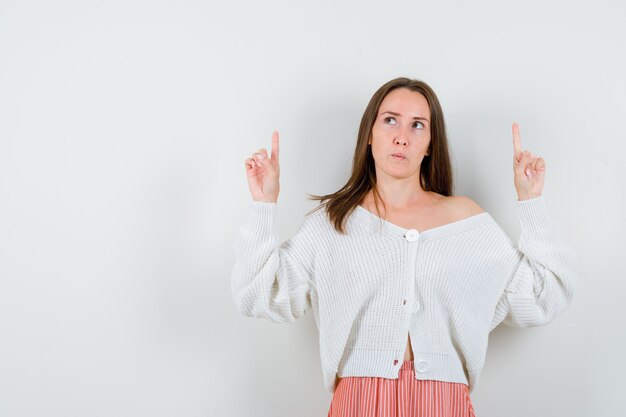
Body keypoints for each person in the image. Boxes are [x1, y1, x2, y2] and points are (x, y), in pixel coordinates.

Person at [231, 77, 578, 417]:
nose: (401, 137)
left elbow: (547, 294)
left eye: (417, 125)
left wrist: (530, 202)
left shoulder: (466, 222)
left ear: (430, 143)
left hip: (444, 403)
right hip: (360, 402)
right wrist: (264, 205)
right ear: (369, 134)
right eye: (390, 120)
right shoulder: (333, 222)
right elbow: (256, 295)